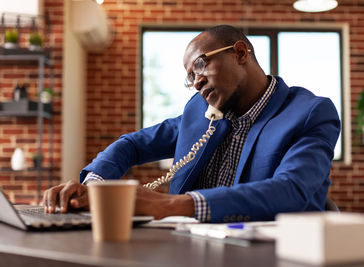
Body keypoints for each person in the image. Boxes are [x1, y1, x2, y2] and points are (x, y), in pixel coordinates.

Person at [43, 25, 340, 223]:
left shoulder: (310, 113)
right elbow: (131, 144)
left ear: (239, 53)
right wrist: (92, 188)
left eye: (201, 64)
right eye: (190, 77)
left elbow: (291, 191)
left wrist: (168, 205)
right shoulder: (201, 111)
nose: (196, 82)